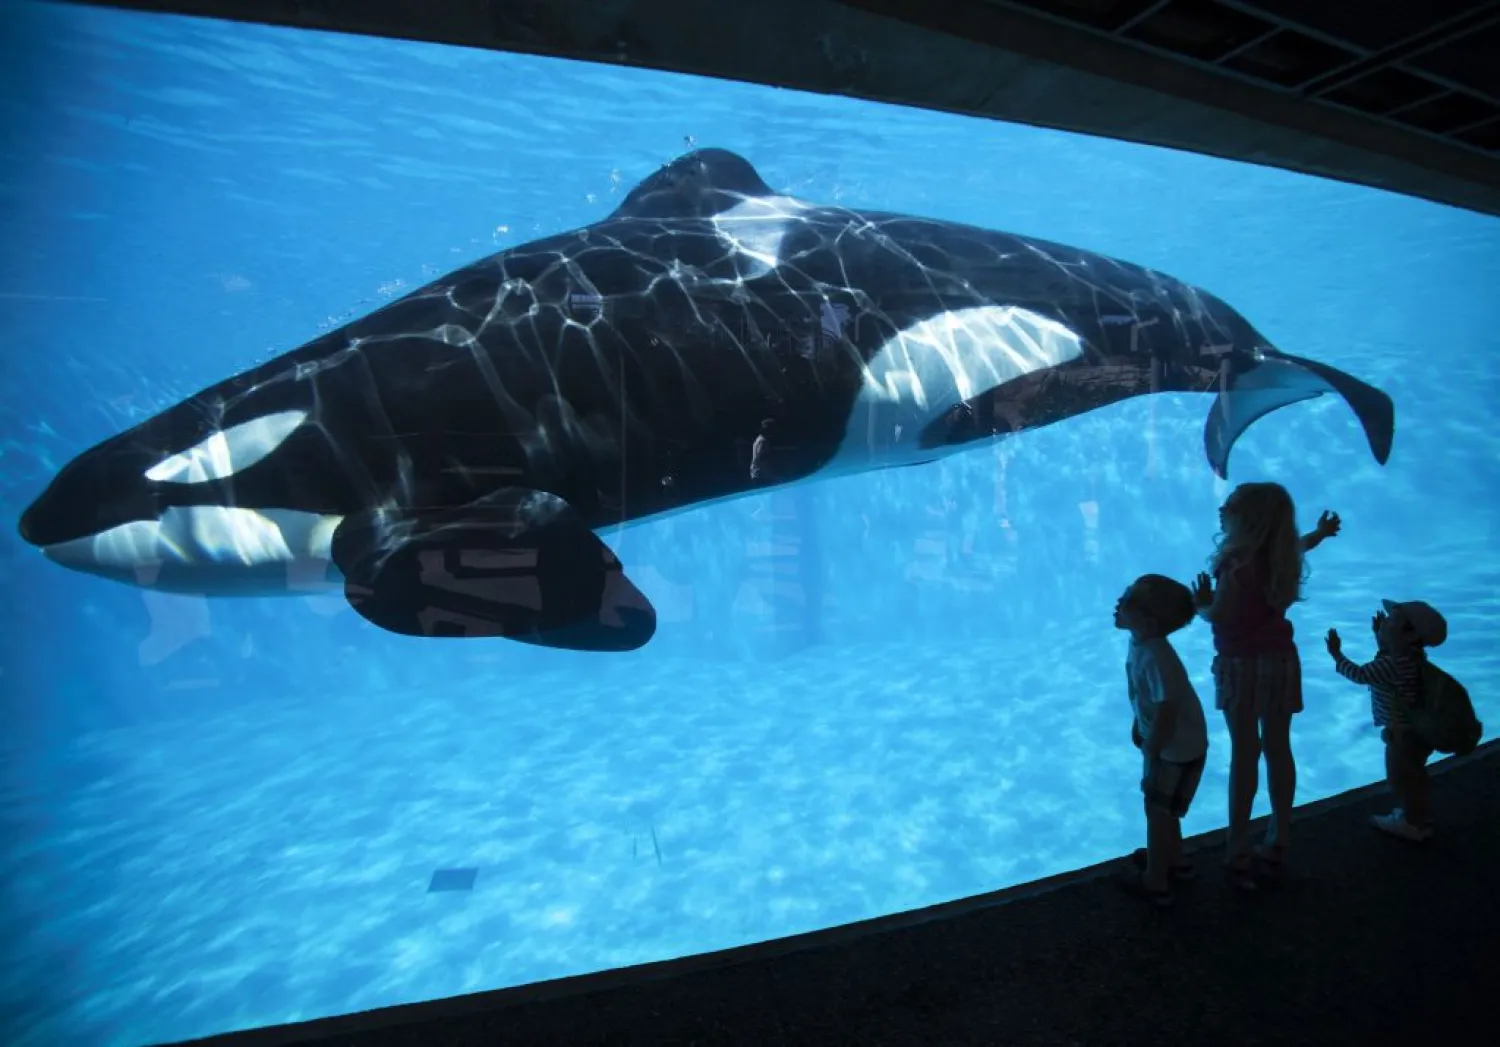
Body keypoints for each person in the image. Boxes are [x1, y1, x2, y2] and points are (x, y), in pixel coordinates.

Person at [1190, 482, 1341, 889]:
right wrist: (1320, 534)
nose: (1223, 508)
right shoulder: (1279, 556)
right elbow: (1300, 545)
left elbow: (1221, 616)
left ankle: (1237, 847)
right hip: (1280, 662)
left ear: (1247, 519)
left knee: (1245, 753)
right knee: (1278, 748)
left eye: (1232, 505)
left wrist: (1201, 603)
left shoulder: (1237, 566)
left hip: (1242, 667)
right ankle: (1280, 835)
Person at [1114, 573, 1208, 907]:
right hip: (1180, 743)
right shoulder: (1142, 642)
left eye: (1128, 601)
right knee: (1167, 810)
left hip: (1173, 749)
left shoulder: (1156, 656)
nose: (1118, 602)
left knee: (1155, 810)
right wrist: (1140, 725)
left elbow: (1167, 709)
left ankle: (1155, 880)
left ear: (1149, 622)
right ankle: (1176, 860)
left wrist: (1152, 749)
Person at [1326, 600, 1448, 842]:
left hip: (1402, 735)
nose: (1385, 622)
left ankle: (1411, 823)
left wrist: (1337, 655)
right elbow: (1389, 656)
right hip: (1418, 732)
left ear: (1410, 634)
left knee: (1400, 778)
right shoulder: (1412, 656)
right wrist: (1381, 637)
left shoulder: (1392, 664)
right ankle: (1419, 816)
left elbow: (1361, 674)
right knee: (1416, 775)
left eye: (1392, 620)